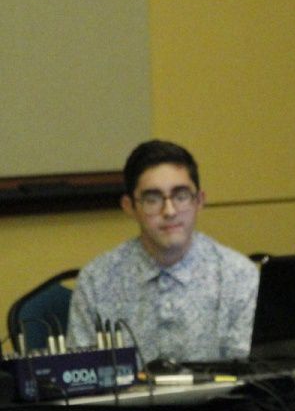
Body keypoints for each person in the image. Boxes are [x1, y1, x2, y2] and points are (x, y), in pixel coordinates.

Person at [68, 139, 258, 362]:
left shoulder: (239, 276)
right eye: (152, 199)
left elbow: (251, 370)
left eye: (181, 196)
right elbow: (80, 371)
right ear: (130, 207)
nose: (169, 211)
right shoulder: (97, 281)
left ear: (199, 201)